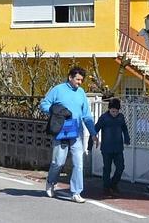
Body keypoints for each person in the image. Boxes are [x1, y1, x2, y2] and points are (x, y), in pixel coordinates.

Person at [40, 66, 99, 203]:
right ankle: (51, 182)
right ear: (70, 77)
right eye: (78, 79)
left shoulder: (81, 93)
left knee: (78, 163)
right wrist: (56, 111)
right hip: (61, 130)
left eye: (81, 80)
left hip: (76, 132)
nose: (79, 82)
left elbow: (87, 115)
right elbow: (44, 104)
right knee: (58, 162)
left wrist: (93, 133)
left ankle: (76, 192)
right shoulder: (58, 90)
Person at [94, 98, 130, 194]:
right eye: (112, 111)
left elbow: (125, 129)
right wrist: (91, 142)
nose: (114, 113)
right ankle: (106, 188)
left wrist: (127, 139)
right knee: (107, 168)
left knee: (121, 167)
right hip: (106, 148)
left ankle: (113, 184)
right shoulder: (104, 118)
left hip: (118, 148)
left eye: (116, 111)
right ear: (109, 109)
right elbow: (95, 129)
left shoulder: (121, 117)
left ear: (119, 110)